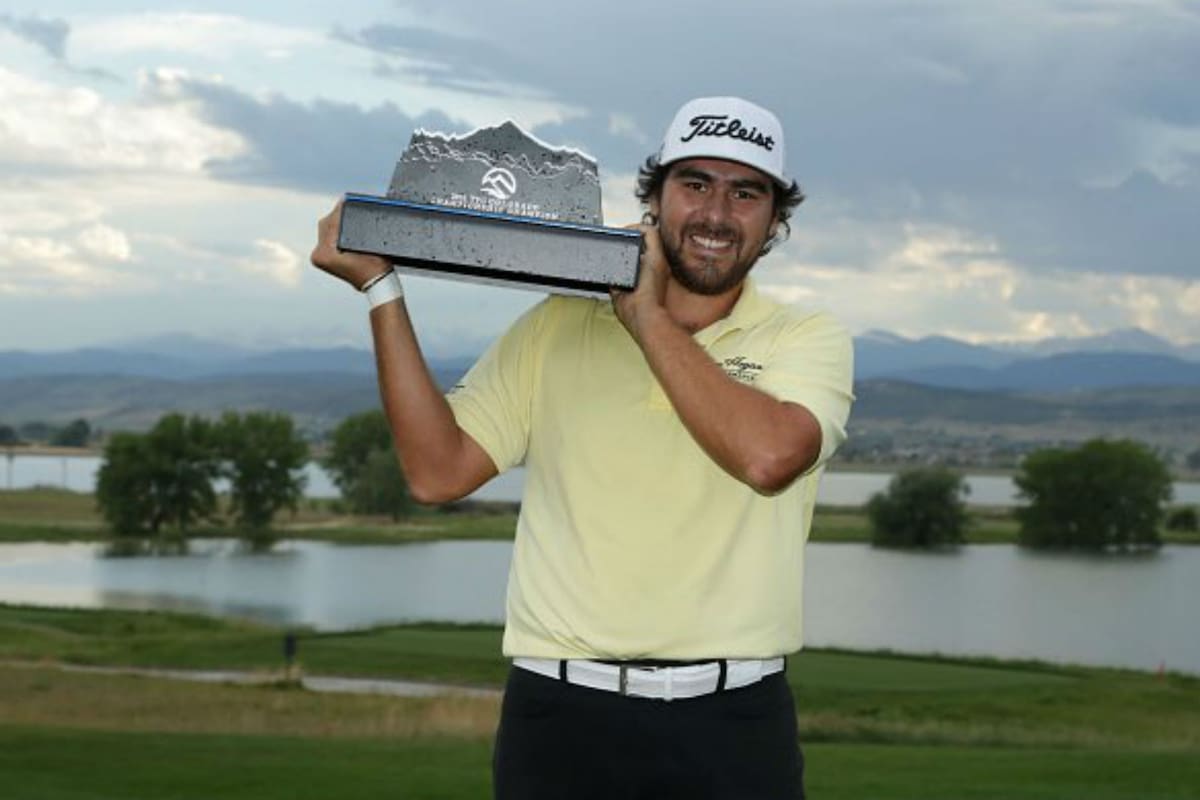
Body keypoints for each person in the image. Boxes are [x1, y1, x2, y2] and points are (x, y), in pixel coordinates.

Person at [311, 96, 854, 800]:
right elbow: (437, 472)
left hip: (734, 723)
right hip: (561, 718)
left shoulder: (806, 337)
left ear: (775, 220)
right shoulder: (561, 324)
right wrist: (381, 289)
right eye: (694, 184)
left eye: (745, 193)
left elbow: (768, 458)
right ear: (654, 200)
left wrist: (645, 316)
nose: (717, 214)